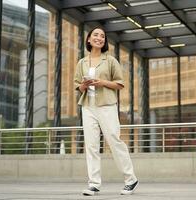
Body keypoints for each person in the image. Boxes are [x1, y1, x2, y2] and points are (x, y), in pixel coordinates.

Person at [74, 26, 138, 196]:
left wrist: (102, 82)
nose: (99, 38)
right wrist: (84, 85)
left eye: (102, 36)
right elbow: (78, 87)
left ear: (104, 42)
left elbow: (120, 84)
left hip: (107, 106)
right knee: (92, 146)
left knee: (114, 141)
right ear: (89, 39)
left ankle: (130, 179)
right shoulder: (82, 62)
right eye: (95, 35)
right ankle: (94, 184)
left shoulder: (110, 61)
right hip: (88, 106)